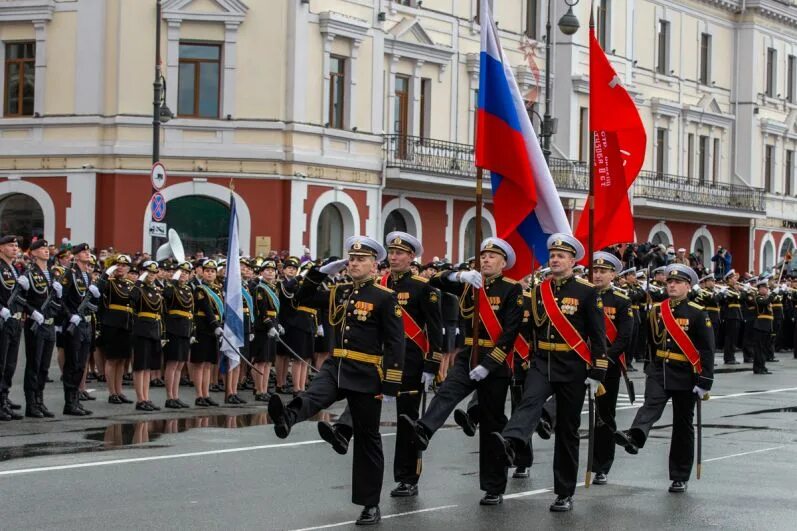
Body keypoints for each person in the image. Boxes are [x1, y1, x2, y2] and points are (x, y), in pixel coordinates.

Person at [268, 236, 405, 526]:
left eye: (360, 260)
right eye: (351, 259)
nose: (354, 264)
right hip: (337, 364)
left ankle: (370, 504)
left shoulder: (384, 297)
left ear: (374, 265)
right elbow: (300, 297)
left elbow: (396, 343)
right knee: (314, 394)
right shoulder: (339, 291)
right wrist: (321, 272)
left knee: (368, 440)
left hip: (367, 373)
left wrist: (391, 384)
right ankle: (287, 418)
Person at [317, 232, 444, 499]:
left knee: (407, 421)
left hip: (410, 363)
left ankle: (408, 477)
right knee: (361, 400)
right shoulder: (378, 283)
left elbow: (435, 330)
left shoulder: (423, 288)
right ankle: (344, 431)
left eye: (400, 253)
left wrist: (431, 365)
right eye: (391, 252)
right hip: (378, 361)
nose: (394, 257)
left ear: (411, 258)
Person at [401, 237, 523, 506]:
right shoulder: (470, 285)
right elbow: (434, 280)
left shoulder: (512, 290)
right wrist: (459, 275)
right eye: (483, 256)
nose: (486, 260)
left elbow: (510, 333)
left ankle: (494, 486)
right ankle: (424, 429)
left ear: (504, 263)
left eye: (493, 257)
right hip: (469, 354)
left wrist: (489, 364)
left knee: (492, 424)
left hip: (495, 360)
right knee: (447, 392)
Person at [489, 233, 607, 512]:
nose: (554, 259)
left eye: (561, 256)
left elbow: (598, 335)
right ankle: (511, 442)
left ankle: (564, 492)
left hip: (573, 363)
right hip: (542, 359)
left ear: (572, 261)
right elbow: (529, 327)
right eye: (552, 255)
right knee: (529, 401)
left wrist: (597, 371)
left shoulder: (587, 292)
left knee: (567, 430)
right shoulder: (538, 290)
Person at [615, 263, 715, 493]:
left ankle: (679, 475)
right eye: (669, 282)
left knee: (682, 425)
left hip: (686, 374)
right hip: (660, 370)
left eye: (677, 282)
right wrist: (650, 366)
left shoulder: (698, 313)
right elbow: (650, 341)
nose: (672, 285)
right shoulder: (656, 310)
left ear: (688, 286)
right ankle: (635, 436)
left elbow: (707, 349)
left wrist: (705, 381)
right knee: (651, 405)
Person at [590, 252, 634, 485]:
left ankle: (601, 466)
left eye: (603, 271)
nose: (597, 275)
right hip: (582, 360)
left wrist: (607, 358)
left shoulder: (621, 300)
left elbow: (625, 336)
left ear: (613, 274)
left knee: (604, 416)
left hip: (608, 364)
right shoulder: (583, 295)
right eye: (595, 270)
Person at [21, 239, 62, 418]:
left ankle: (40, 400)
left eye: (47, 248)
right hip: (35, 324)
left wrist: (59, 296)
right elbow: (22, 299)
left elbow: (55, 302)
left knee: (44, 366)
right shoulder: (29, 274)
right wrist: (31, 312)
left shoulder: (52, 274)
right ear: (33, 253)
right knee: (34, 364)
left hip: (49, 324)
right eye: (42, 248)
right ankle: (31, 404)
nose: (46, 251)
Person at [59, 243, 101, 416]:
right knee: (73, 363)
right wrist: (70, 316)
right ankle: (69, 403)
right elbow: (60, 299)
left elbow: (91, 303)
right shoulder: (70, 274)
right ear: (75, 256)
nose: (87, 254)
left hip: (86, 324)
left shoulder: (87, 275)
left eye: (88, 252)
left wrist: (96, 298)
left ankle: (76, 399)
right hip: (74, 324)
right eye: (83, 252)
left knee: (81, 364)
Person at [97, 254, 135, 405]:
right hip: (112, 323)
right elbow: (97, 290)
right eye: (118, 264)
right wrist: (106, 273)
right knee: (112, 359)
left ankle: (119, 391)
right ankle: (112, 392)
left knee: (121, 360)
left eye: (124, 265)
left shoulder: (130, 284)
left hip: (127, 324)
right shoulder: (109, 283)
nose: (121, 267)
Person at [130, 261, 164, 411]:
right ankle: (140, 399)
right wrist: (139, 280)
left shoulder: (155, 289)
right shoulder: (139, 288)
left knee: (148, 367)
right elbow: (132, 297)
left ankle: (146, 397)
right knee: (140, 366)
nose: (151, 275)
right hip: (142, 329)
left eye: (153, 273)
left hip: (154, 329)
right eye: (148, 272)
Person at [0, 235, 27, 420]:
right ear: (1, 248)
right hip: (3, 319)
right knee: (1, 363)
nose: (15, 248)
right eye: (10, 245)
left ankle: (4, 399)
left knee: (10, 364)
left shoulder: (14, 268)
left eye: (16, 245)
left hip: (15, 321)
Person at [162, 261, 194, 408]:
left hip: (185, 328)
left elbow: (190, 311)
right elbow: (167, 295)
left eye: (186, 273)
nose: (183, 274)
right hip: (173, 328)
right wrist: (173, 280)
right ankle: (169, 397)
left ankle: (176, 395)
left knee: (180, 364)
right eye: (181, 272)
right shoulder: (170, 287)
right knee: (172, 363)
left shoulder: (188, 289)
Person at [192, 259, 223, 407]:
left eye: (212, 271)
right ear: (202, 273)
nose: (210, 273)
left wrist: (220, 325)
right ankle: (199, 395)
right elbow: (206, 309)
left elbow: (219, 310)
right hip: (203, 328)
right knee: (200, 363)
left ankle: (206, 393)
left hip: (214, 330)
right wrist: (215, 325)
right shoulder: (200, 289)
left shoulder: (217, 289)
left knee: (208, 364)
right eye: (207, 271)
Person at [251, 259, 281, 402]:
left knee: (269, 361)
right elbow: (261, 309)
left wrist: (278, 324)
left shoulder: (274, 288)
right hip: (263, 327)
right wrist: (270, 326)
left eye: (272, 270)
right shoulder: (260, 288)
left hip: (273, 324)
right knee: (261, 360)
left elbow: (275, 310)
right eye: (267, 270)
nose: (270, 272)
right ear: (261, 273)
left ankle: (265, 389)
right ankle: (258, 390)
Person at [747, 279, 774, 374]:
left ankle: (762, 366)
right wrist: (773, 294)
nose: (767, 289)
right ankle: (758, 368)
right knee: (759, 348)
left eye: (767, 288)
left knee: (764, 348)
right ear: (760, 289)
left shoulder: (766, 297)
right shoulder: (758, 298)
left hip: (767, 325)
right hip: (760, 325)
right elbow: (765, 303)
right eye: (765, 288)